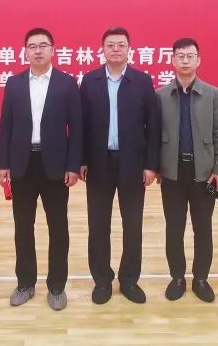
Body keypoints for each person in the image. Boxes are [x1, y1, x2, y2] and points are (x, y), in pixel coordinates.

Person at [0, 28, 82, 311]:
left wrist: (73, 165)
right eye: (32, 46)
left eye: (43, 45)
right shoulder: (14, 83)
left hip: (55, 165)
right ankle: (25, 283)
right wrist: (3, 163)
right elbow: (6, 126)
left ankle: (57, 286)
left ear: (53, 50)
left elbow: (77, 128)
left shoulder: (67, 83)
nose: (38, 50)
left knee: (58, 227)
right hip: (22, 164)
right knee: (23, 227)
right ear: (25, 52)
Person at [79, 27, 160, 305]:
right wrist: (81, 160)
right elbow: (81, 125)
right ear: (102, 49)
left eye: (121, 44)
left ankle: (129, 280)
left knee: (132, 225)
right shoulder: (90, 80)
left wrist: (150, 165)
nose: (116, 49)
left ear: (129, 49)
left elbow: (153, 126)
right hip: (98, 164)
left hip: (133, 165)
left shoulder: (141, 81)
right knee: (99, 225)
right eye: (110, 44)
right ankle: (102, 280)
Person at [156, 38, 218, 303]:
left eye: (190, 56)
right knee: (174, 228)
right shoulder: (161, 96)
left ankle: (200, 279)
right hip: (172, 173)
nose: (185, 60)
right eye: (180, 56)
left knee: (203, 228)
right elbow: (154, 135)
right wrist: (156, 167)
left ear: (199, 60)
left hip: (204, 173)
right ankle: (177, 277)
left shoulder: (213, 94)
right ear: (172, 60)